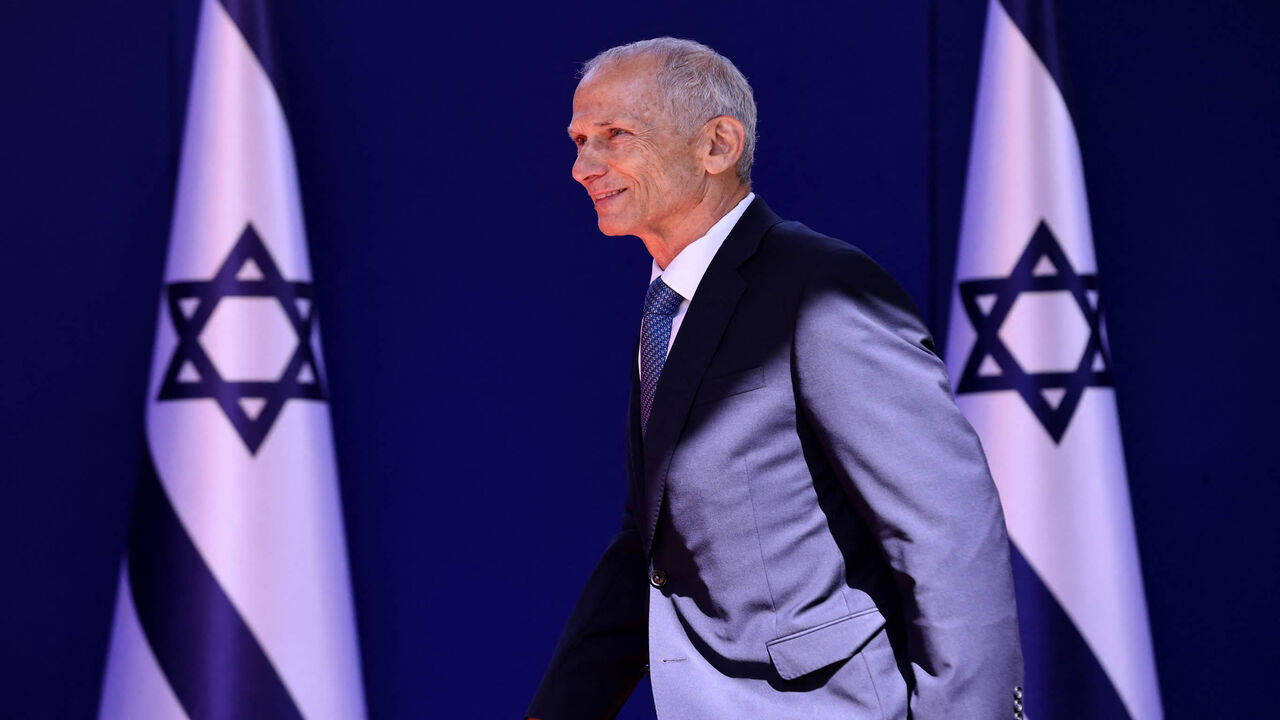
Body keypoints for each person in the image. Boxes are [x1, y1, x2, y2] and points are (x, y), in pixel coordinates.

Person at [528, 37, 1024, 720]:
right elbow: (650, 546)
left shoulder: (821, 288)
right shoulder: (665, 309)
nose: (585, 166)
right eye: (580, 140)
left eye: (614, 136)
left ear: (718, 145)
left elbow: (945, 529)